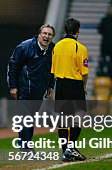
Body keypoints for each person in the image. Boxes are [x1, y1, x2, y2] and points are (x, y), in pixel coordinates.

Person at [7, 24, 55, 151]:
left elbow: (52, 69)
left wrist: (50, 86)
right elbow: (13, 66)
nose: (46, 36)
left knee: (30, 117)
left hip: (39, 89)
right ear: (39, 34)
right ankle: (27, 146)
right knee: (27, 117)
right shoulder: (24, 47)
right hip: (24, 88)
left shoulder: (52, 49)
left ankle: (23, 143)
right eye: (44, 33)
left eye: (49, 34)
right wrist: (13, 86)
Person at [51, 18, 88, 161]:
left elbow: (53, 69)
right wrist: (83, 87)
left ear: (66, 30)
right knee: (79, 116)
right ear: (77, 31)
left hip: (60, 84)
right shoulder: (81, 47)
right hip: (75, 85)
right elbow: (84, 72)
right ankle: (71, 148)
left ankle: (65, 150)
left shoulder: (56, 46)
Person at [97, 5, 112, 77]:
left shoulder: (105, 20)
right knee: (103, 65)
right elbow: (99, 30)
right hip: (105, 48)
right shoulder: (105, 20)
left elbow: (100, 30)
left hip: (106, 47)